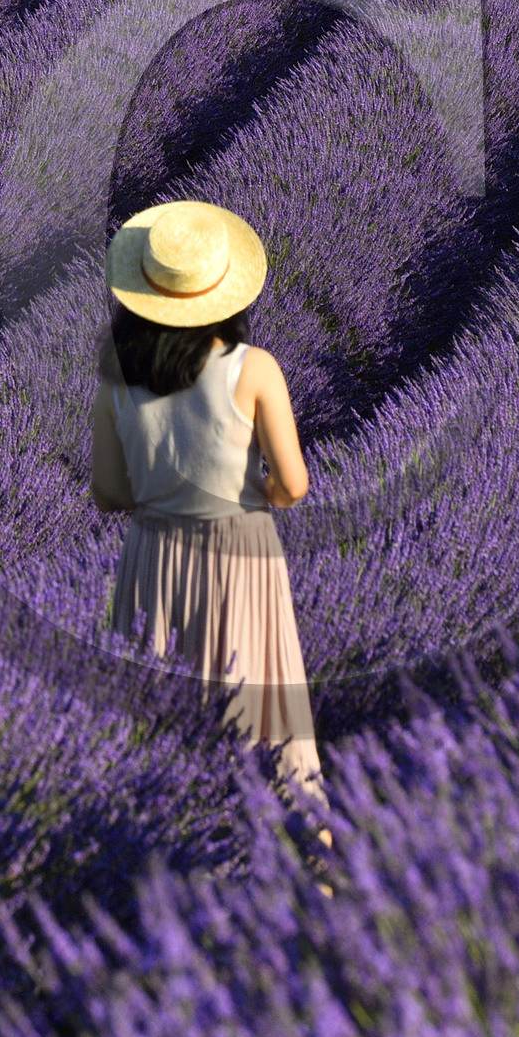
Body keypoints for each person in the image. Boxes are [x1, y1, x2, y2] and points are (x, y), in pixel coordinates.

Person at [91, 198, 329, 819]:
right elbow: (294, 484)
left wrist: (160, 494)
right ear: (226, 296)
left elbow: (109, 494)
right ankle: (307, 862)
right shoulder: (255, 369)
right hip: (239, 556)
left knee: (159, 737)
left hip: (153, 561)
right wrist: (256, 497)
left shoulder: (117, 381)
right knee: (269, 734)